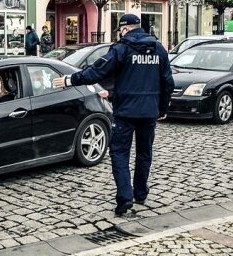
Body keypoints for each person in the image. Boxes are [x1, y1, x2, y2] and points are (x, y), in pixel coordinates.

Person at [52, 13, 174, 216]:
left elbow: (96, 72)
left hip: (126, 111)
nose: (120, 34)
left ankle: (125, 198)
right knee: (144, 153)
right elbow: (167, 83)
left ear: (125, 29)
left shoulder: (121, 49)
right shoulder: (158, 49)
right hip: (149, 112)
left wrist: (69, 80)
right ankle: (141, 193)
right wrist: (162, 109)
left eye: (120, 31)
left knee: (119, 153)